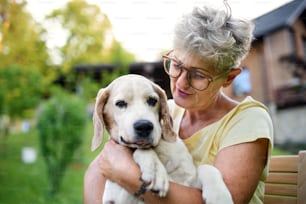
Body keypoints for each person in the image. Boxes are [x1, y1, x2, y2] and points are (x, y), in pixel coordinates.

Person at [84, 2, 273, 204]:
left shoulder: (247, 120)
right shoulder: (160, 111)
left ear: (229, 77)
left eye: (199, 75)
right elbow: (102, 167)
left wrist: (131, 177)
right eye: (176, 65)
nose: (181, 82)